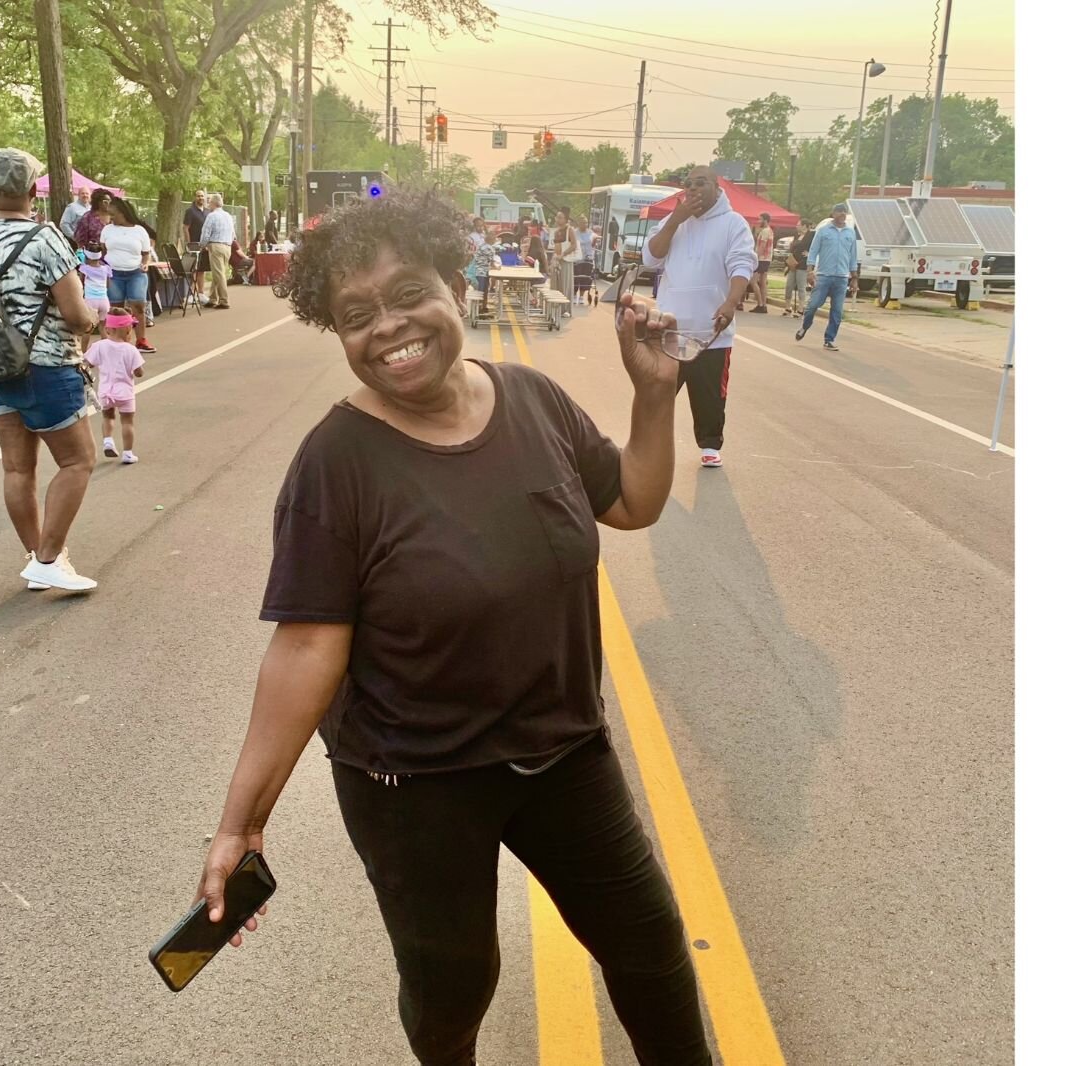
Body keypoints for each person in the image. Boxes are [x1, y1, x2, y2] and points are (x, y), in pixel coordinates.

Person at [197, 186, 710, 1066]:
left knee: (652, 954)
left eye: (408, 293)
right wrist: (241, 822)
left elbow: (631, 501)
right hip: (415, 782)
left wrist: (655, 397)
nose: (389, 327)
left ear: (453, 280)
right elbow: (309, 644)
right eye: (356, 314)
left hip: (563, 754)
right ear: (337, 332)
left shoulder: (533, 401)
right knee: (453, 988)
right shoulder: (336, 463)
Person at [0, 147, 100, 592]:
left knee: (17, 468)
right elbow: (76, 315)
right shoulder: (46, 239)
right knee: (78, 461)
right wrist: (94, 319)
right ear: (32, 190)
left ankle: (38, 557)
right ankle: (48, 558)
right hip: (45, 366)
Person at [641, 165, 756, 470]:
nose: (692, 189)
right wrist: (675, 220)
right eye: (688, 184)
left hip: (711, 331)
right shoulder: (674, 221)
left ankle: (710, 445)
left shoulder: (734, 224)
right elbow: (650, 257)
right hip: (671, 329)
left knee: (709, 396)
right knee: (658, 393)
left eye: (700, 183)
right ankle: (650, 445)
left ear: (717, 188)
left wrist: (731, 302)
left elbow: (742, 264)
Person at [86, 309, 147, 465]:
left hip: (106, 391)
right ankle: (127, 453)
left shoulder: (99, 346)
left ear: (107, 329)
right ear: (128, 330)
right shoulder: (131, 350)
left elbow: (89, 363)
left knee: (108, 417)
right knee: (127, 422)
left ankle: (107, 441)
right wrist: (136, 370)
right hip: (125, 393)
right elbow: (139, 372)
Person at [798, 204, 860, 351]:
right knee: (813, 305)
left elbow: (853, 257)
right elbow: (813, 252)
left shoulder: (850, 233)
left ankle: (829, 339)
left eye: (844, 212)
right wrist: (810, 271)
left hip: (841, 277)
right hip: (824, 276)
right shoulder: (823, 231)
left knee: (837, 311)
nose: (842, 214)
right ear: (833, 213)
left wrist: (854, 277)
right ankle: (805, 326)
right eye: (839, 212)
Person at [101, 199, 156, 352]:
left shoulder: (139, 230)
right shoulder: (107, 230)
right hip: (114, 273)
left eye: (113, 214)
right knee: (115, 307)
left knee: (138, 305)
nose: (111, 218)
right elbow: (103, 251)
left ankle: (141, 340)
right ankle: (116, 341)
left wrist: (145, 263)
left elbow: (146, 253)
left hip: (136, 273)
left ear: (122, 212)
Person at [200, 192, 236, 310]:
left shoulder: (211, 216)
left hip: (216, 246)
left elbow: (205, 233)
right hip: (227, 246)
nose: (208, 204)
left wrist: (202, 245)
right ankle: (213, 298)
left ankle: (224, 300)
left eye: (210, 202)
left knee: (219, 274)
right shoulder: (228, 216)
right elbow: (233, 234)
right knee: (218, 272)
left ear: (214, 203)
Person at [77, 248, 112, 354]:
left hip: (90, 301)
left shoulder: (84, 269)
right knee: (103, 328)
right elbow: (108, 285)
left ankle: (83, 353)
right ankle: (107, 353)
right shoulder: (106, 269)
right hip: (104, 301)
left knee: (87, 330)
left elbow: (80, 283)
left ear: (87, 257)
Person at [183, 190, 210, 304]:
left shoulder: (208, 212)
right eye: (198, 196)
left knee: (201, 270)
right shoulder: (190, 211)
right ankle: (190, 294)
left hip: (205, 246)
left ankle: (201, 293)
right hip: (194, 245)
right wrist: (189, 243)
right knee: (193, 269)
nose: (200, 198)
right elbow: (185, 228)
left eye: (202, 196)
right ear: (195, 198)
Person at [550, 209, 579, 315]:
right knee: (555, 284)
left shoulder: (569, 230)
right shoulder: (556, 231)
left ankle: (565, 309)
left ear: (566, 219)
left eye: (560, 217)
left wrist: (563, 254)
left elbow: (574, 245)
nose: (557, 219)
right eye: (557, 217)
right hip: (556, 259)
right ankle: (555, 307)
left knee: (565, 284)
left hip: (565, 260)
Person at [783, 220, 813, 317]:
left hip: (802, 264)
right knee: (789, 286)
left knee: (801, 287)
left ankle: (801, 308)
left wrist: (809, 254)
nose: (797, 226)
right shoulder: (797, 236)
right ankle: (788, 307)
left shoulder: (811, 236)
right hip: (793, 263)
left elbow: (815, 247)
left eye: (798, 225)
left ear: (804, 226)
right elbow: (792, 248)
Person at [749, 212, 774, 313]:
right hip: (767, 259)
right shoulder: (770, 231)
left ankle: (760, 304)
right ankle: (764, 304)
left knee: (753, 281)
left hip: (761, 259)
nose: (759, 221)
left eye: (760, 219)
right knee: (763, 283)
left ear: (765, 220)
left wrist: (755, 258)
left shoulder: (764, 232)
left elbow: (762, 247)